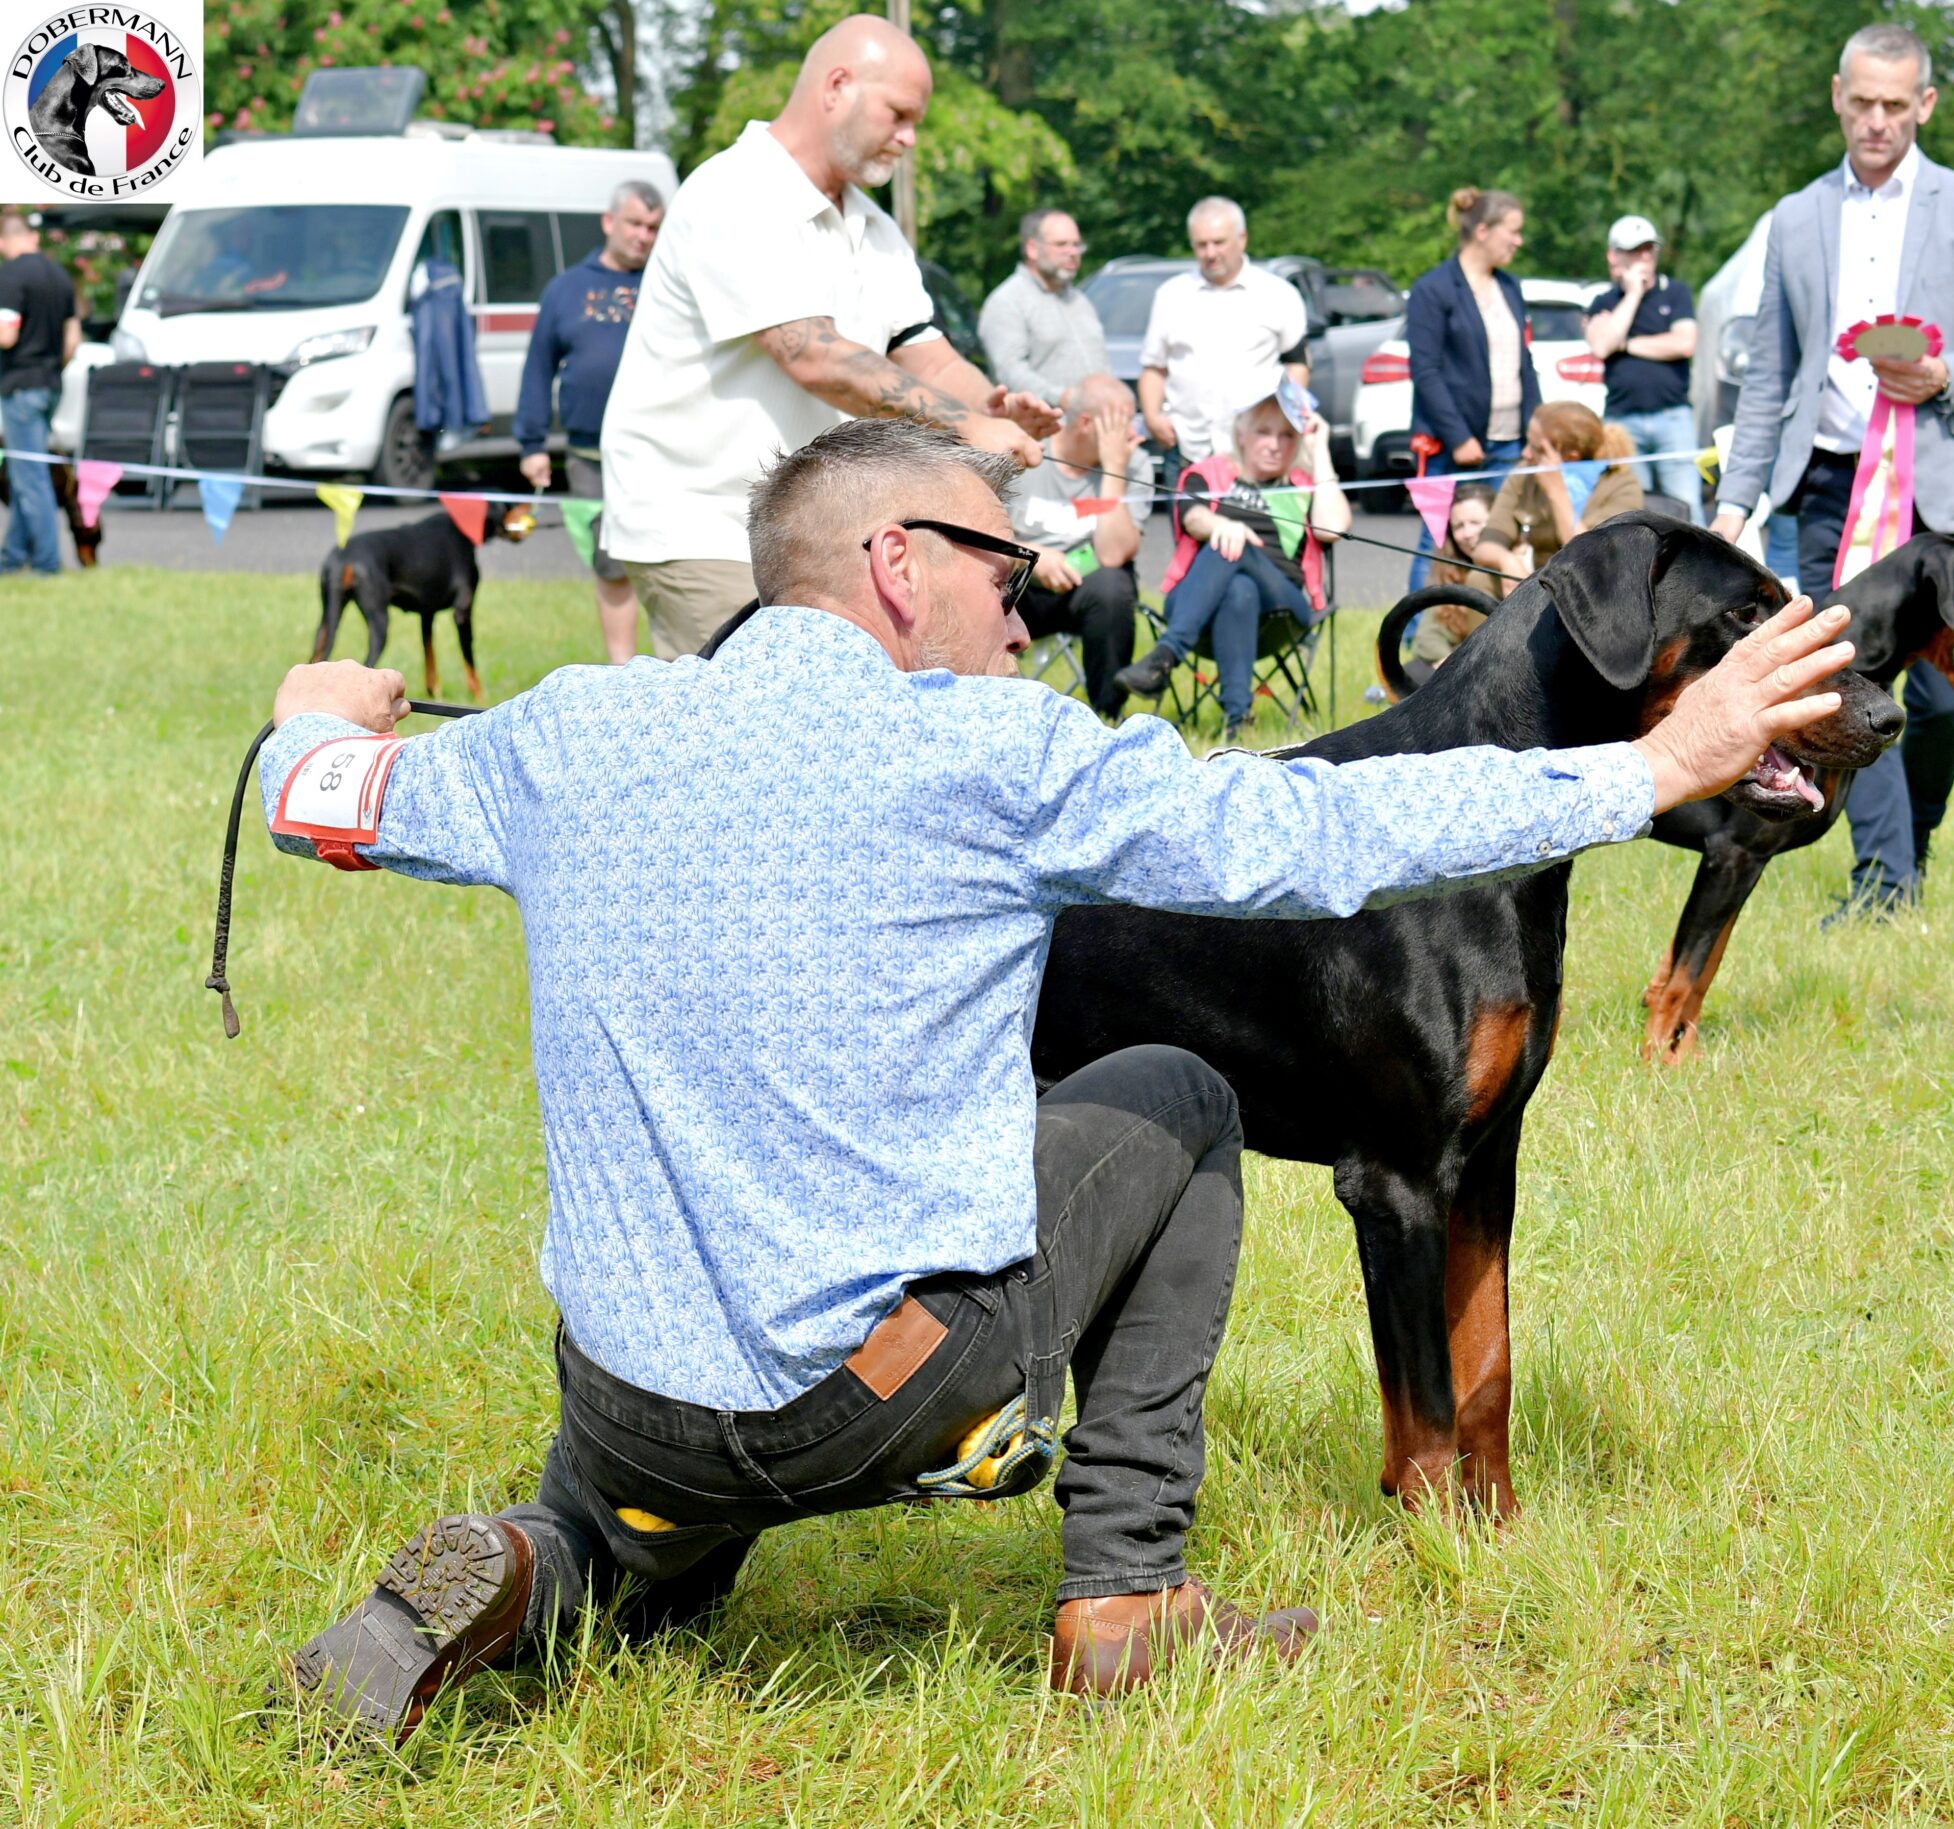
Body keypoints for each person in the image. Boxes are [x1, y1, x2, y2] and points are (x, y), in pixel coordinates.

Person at [265, 414, 1860, 1736]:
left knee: (634, 1546)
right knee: (1186, 1093)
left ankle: (528, 1561)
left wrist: (310, 710)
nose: (1029, 617)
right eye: (1006, 573)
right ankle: (1126, 1599)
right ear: (898, 566)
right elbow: (1318, 834)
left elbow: (316, 798)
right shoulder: (999, 755)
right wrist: (1659, 763)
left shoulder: (565, 735)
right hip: (878, 1398)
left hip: (630, 1399)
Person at [1708, 22, 1954, 922]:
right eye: (1862, 103)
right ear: (1837, 97)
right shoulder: (1796, 217)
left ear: (1925, 103)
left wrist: (1945, 374)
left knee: (1937, 703)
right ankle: (1883, 883)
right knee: (1845, 691)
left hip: (1939, 499)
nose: (1878, 121)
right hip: (1826, 489)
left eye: (1896, 104)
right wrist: (1736, 501)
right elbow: (1769, 374)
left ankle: (1912, 847)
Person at [599, 15, 1054, 660]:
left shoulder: (875, 227)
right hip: (702, 522)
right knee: (749, 714)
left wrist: (992, 410)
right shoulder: (734, 191)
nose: (910, 137)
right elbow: (813, 355)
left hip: (810, 533)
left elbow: (927, 355)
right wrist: (966, 424)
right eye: (899, 114)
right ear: (837, 86)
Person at [1117, 388, 1348, 739]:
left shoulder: (1302, 484)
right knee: (1239, 588)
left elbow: (1333, 529)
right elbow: (1192, 517)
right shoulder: (1207, 474)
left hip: (1282, 609)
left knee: (1236, 548)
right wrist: (1220, 526)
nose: (1275, 445)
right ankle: (1237, 722)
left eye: (1287, 435)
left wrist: (1319, 451)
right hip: (1199, 604)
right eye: (1264, 432)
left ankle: (1166, 655)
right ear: (1241, 434)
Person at [517, 180, 665, 664]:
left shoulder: (667, 283)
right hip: (589, 455)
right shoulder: (566, 289)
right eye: (634, 224)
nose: (643, 236)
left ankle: (677, 666)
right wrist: (531, 444)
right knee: (611, 565)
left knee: (668, 560)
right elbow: (538, 368)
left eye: (653, 228)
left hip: (660, 452)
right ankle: (623, 673)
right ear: (608, 222)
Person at [1401, 187, 1538, 589]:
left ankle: (1489, 625)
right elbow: (1425, 371)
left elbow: (1525, 363)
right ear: (1482, 231)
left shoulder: (1509, 287)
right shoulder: (1433, 289)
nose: (1519, 240)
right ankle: (1416, 628)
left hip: (1508, 444)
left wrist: (1536, 432)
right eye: (1512, 230)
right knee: (1438, 543)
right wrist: (1459, 437)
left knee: (1499, 539)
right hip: (1450, 448)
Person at [1007, 372, 1152, 719]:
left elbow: (1113, 554)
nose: (1133, 434)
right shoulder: (1026, 451)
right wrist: (1031, 558)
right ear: (1086, 423)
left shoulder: (1134, 463)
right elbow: (977, 530)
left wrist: (1115, 470)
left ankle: (1108, 715)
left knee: (1113, 586)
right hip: (1018, 578)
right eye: (1121, 423)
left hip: (1087, 582)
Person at [1137, 198, 1309, 463]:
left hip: (1256, 450)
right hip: (1188, 447)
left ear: (1242, 239)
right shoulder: (1171, 295)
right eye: (1201, 245)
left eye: (1219, 242)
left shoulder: (1278, 294)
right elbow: (1154, 367)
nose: (1210, 253)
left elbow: (1297, 364)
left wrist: (1285, 421)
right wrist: (1152, 417)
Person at [1583, 214, 1703, 524]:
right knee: (1634, 512)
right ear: (1614, 256)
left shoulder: (1675, 293)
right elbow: (1601, 346)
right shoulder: (1603, 301)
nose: (1645, 257)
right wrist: (1633, 294)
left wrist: (1625, 343)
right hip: (1623, 421)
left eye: (1649, 249)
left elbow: (1684, 343)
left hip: (1672, 416)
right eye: (1635, 250)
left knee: (1688, 506)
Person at [1477, 402, 1644, 592]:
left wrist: (1556, 492)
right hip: (1535, 578)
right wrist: (1506, 560)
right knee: (1479, 579)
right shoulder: (1524, 474)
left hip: (1592, 588)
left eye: (1536, 448)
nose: (1525, 453)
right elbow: (1485, 546)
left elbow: (1588, 558)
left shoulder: (1622, 485)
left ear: (1571, 456)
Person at [0, 210, 80, 578]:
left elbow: (7, 336)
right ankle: (11, 557)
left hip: (21, 387)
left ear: (4, 242)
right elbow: (72, 340)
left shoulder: (10, 276)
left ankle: (47, 563)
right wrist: (51, 367)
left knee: (30, 478)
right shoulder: (60, 277)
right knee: (25, 474)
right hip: (50, 384)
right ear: (33, 237)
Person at [977, 210, 1108, 408]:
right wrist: (1062, 398)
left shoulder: (1080, 301)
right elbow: (1009, 372)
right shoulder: (1007, 301)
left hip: (1095, 421)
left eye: (1076, 244)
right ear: (1032, 249)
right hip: (1045, 423)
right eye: (1061, 244)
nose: (1073, 252)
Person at [1405, 484, 1499, 683]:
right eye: (1458, 526)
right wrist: (1450, 664)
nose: (1467, 533)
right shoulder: (1451, 572)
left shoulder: (1518, 562)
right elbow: (1427, 637)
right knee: (1414, 672)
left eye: (1475, 522)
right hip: (1463, 668)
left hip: (1506, 665)